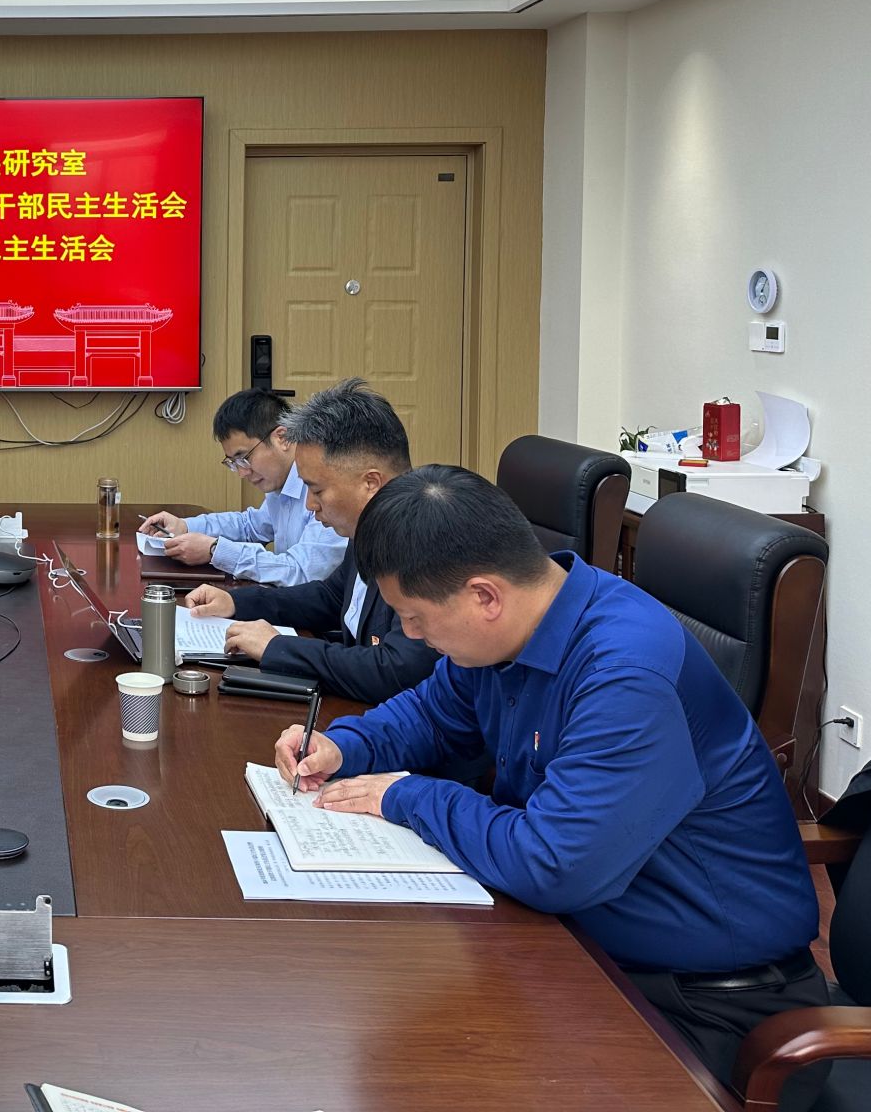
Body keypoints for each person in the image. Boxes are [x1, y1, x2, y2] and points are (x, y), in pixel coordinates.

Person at [275, 465, 827, 1108]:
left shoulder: (624, 673)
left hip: (709, 1008)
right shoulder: (509, 632)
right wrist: (346, 745)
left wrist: (407, 795)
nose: (413, 635)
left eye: (414, 617)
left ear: (485, 596)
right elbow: (432, 713)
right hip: (578, 945)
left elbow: (553, 863)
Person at [181, 378, 437, 702]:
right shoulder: (368, 526)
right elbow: (331, 597)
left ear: (370, 483)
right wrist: (237, 603)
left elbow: (394, 671)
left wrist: (278, 648)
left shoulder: (424, 542)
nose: (310, 505)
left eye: (317, 490)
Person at [137, 388, 347, 586]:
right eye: (233, 463)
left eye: (244, 458)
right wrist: (185, 526)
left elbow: (301, 571)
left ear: (282, 438)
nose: (242, 472)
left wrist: (215, 550)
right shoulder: (281, 483)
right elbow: (250, 526)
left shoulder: (327, 486)